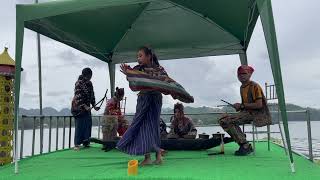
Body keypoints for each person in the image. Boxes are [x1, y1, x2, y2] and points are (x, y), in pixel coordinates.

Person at [117, 46, 166, 166]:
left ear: (149, 56)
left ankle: (154, 156)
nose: (138, 58)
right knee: (145, 127)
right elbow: (134, 87)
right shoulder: (137, 69)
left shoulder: (159, 69)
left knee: (151, 126)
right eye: (137, 56)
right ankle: (152, 156)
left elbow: (165, 82)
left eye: (140, 56)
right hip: (144, 99)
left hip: (154, 100)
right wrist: (129, 75)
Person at [218, 65, 272, 156]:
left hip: (257, 114)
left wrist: (242, 106)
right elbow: (245, 106)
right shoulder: (242, 87)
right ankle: (243, 143)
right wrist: (239, 106)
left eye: (244, 73)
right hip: (247, 112)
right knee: (223, 120)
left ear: (250, 74)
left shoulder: (255, 86)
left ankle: (245, 145)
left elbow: (259, 105)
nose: (241, 76)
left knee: (226, 121)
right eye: (239, 74)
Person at [72, 67, 100, 151]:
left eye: (90, 76)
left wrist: (94, 106)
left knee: (88, 124)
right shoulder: (78, 83)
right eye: (89, 76)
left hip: (87, 108)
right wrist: (84, 106)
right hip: (78, 109)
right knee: (80, 125)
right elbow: (78, 97)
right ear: (85, 75)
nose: (90, 78)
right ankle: (77, 144)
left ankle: (86, 142)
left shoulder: (90, 83)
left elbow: (92, 95)